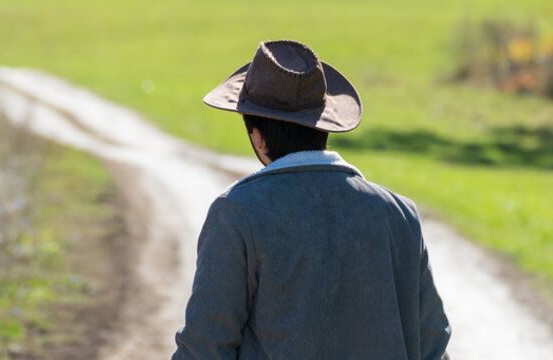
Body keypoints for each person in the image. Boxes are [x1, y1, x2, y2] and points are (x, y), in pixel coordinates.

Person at [172, 40, 451, 359]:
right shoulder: (400, 215)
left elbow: (205, 346)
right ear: (324, 126)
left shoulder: (237, 213)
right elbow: (433, 343)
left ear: (258, 138)